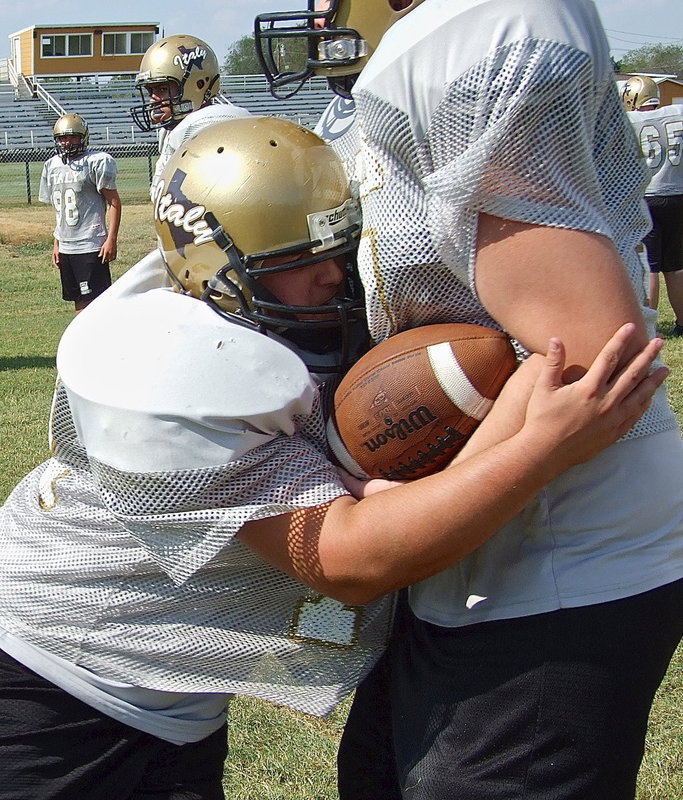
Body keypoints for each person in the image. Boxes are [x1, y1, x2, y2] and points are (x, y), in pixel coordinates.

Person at [0, 114, 665, 800]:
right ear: (214, 271)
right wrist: (542, 446)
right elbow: (347, 558)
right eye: (298, 265)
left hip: (166, 704)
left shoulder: (246, 311)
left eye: (340, 252)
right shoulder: (169, 362)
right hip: (53, 680)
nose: (331, 278)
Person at [254, 2, 683, 798]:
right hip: (489, 543)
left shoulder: (481, 28)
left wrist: (422, 505)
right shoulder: (455, 31)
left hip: (556, 548)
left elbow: (589, 359)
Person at [130, 33, 250, 197]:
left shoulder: (202, 126)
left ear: (199, 85)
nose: (153, 100)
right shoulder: (171, 131)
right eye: (150, 91)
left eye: (162, 89)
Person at [39, 113, 121, 312]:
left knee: (96, 305)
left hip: (90, 243)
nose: (67, 142)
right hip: (67, 246)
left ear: (83, 137)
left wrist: (111, 239)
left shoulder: (97, 161)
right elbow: (59, 212)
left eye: (72, 136)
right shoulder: (52, 165)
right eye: (62, 138)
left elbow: (114, 202)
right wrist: (57, 243)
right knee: (79, 303)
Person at [624, 78, 683, 334]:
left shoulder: (629, 121)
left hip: (647, 197)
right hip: (679, 195)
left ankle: (651, 326)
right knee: (677, 266)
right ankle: (682, 324)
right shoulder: (678, 113)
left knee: (650, 266)